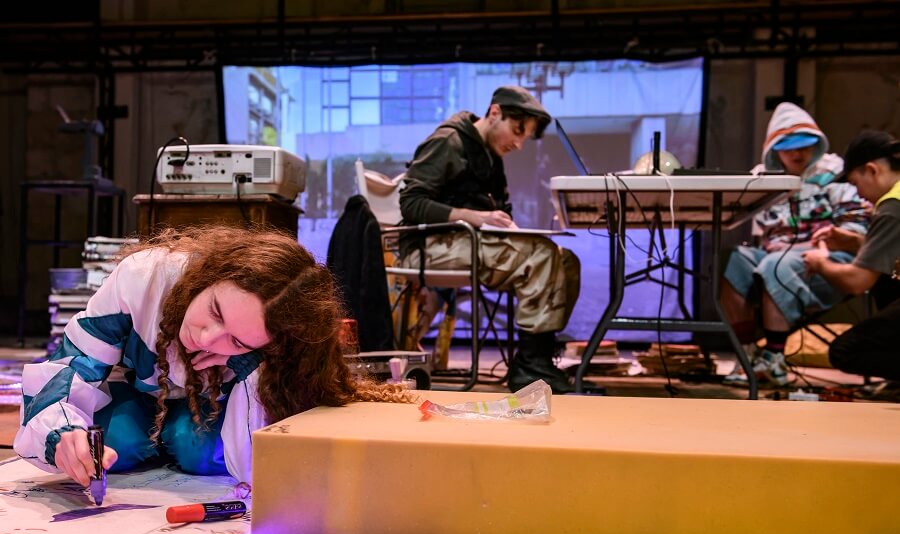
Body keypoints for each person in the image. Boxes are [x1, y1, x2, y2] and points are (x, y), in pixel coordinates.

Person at [14, 225, 413, 488]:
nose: (206, 338)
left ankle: (171, 435)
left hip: (208, 406)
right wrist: (62, 433)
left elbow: (255, 456)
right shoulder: (143, 280)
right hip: (138, 394)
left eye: (237, 341)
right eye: (216, 312)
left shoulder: (263, 348)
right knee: (116, 442)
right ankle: (151, 435)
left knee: (198, 447)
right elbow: (69, 368)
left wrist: (248, 364)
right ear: (210, 277)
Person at [398, 85, 584, 394]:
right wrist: (474, 216)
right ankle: (529, 369)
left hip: (467, 242)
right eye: (517, 130)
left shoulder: (490, 156)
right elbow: (411, 203)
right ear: (495, 112)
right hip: (428, 246)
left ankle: (538, 356)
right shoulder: (448, 141)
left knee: (565, 261)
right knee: (540, 255)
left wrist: (508, 226)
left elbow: (499, 208)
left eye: (525, 137)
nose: (519, 144)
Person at [720, 102, 869, 386]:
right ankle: (747, 354)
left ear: (816, 144)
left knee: (777, 264)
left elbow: (854, 232)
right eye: (788, 148)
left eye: (804, 146)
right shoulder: (764, 179)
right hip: (774, 255)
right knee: (737, 260)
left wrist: (818, 245)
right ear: (774, 149)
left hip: (828, 259)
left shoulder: (836, 175)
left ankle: (774, 358)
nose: (797, 154)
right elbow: (759, 233)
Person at [803, 130, 900, 388]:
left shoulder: (892, 207)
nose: (858, 194)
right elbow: (892, 250)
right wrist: (856, 242)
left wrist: (820, 262)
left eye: (855, 183)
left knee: (845, 351)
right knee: (887, 276)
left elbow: (857, 282)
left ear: (872, 170)